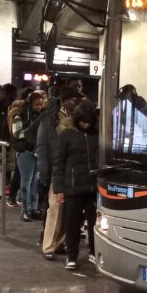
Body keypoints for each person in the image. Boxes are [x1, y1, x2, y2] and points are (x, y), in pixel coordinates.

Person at [52, 100, 100, 270]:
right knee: (72, 223)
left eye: (89, 122)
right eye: (83, 121)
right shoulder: (66, 135)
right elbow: (59, 162)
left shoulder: (97, 134)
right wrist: (58, 188)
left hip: (93, 187)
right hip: (72, 187)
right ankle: (71, 255)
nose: (86, 125)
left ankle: (95, 252)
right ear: (77, 119)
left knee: (95, 223)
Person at [36, 86, 83, 260]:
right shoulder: (50, 119)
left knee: (67, 210)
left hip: (72, 169)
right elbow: (42, 146)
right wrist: (43, 171)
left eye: (77, 100)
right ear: (64, 100)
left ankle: (59, 243)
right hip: (57, 169)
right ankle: (48, 246)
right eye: (73, 100)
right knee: (55, 208)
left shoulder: (76, 118)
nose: (75, 103)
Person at [9, 89, 47, 222]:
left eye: (41, 104)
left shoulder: (42, 116)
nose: (39, 107)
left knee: (35, 183)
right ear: (30, 104)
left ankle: (34, 208)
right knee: (26, 182)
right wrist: (32, 133)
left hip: (37, 152)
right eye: (36, 104)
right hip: (25, 152)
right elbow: (17, 134)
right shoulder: (20, 116)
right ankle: (25, 210)